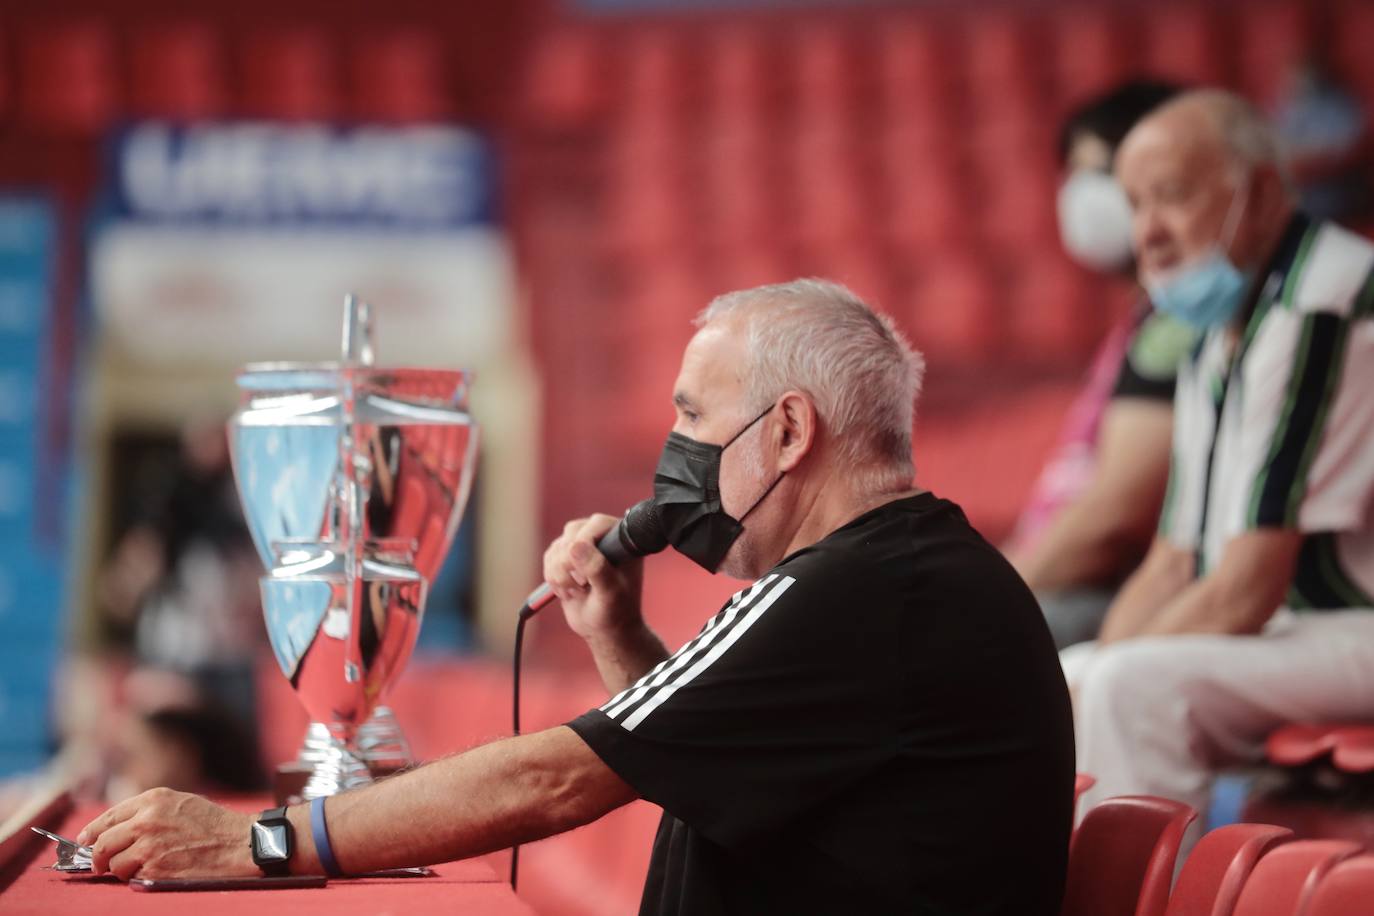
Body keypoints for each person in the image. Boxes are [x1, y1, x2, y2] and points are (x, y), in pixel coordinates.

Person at [76, 280, 1075, 915]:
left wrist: (261, 841)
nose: (674, 448)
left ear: (788, 431)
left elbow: (557, 778)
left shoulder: (860, 588)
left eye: (692, 414)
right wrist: (618, 630)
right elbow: (698, 765)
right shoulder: (900, 577)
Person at [1063, 89, 1374, 819]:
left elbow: (1245, 589)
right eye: (1135, 205)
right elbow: (1174, 562)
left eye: (1171, 196)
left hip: (1353, 621)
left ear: (1261, 191)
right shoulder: (1219, 321)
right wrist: (1081, 675)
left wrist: (1104, 672)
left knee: (1127, 687)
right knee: (1065, 674)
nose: (1149, 234)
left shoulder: (1319, 302)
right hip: (1309, 627)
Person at [1008, 80, 1197, 649]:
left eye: (1097, 171)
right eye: (1072, 174)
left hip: (1115, 597)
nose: (1079, 195)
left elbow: (1114, 521)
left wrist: (987, 594)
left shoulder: (1185, 321)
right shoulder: (1149, 317)